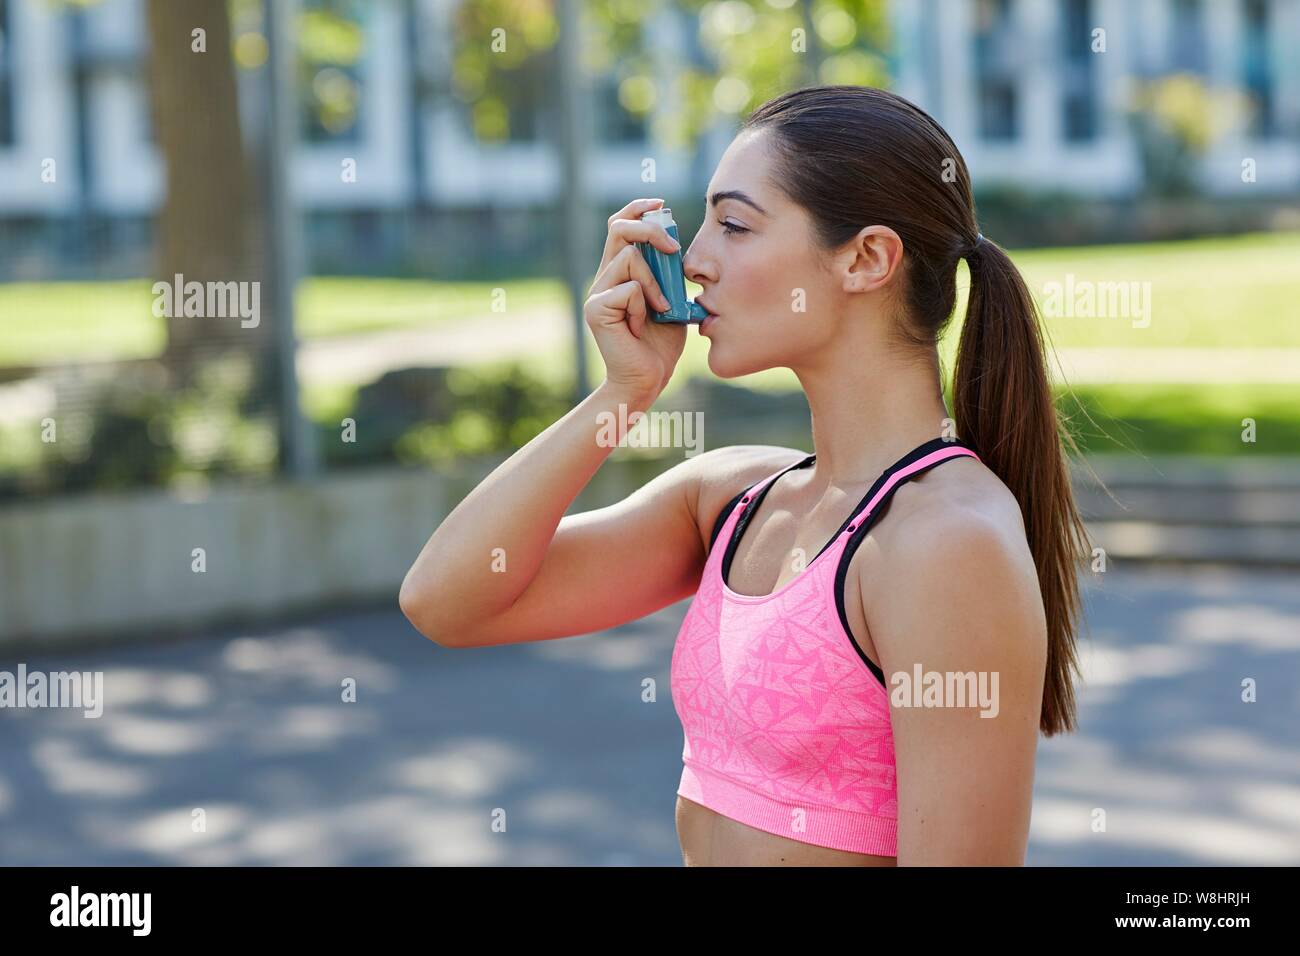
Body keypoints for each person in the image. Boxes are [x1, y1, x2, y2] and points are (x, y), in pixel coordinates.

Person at [400, 84, 1093, 866]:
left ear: (867, 258)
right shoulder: (731, 501)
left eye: (733, 225)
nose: (692, 260)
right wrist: (622, 394)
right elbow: (446, 602)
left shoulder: (945, 542)